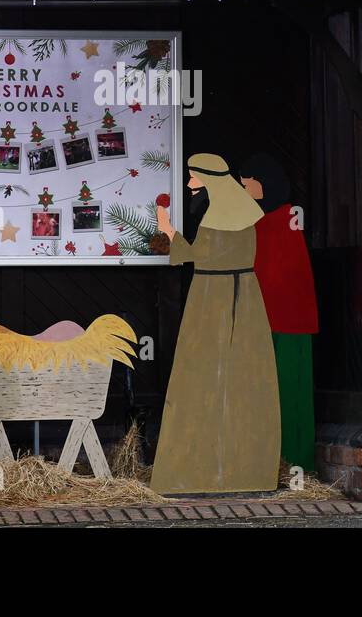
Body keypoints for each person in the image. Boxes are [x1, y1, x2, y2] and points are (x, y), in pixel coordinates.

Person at [151, 152, 280, 495]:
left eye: (195, 178)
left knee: (204, 378)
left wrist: (168, 231)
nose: (190, 185)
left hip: (213, 300)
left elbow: (199, 256)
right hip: (242, 298)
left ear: (210, 179)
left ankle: (201, 471)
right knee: (238, 381)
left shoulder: (218, 218)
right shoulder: (240, 212)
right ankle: (241, 471)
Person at [238, 152, 319, 472]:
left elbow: (273, 276)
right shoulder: (271, 221)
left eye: (248, 185)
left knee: (287, 393)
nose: (245, 191)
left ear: (263, 184)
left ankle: (293, 462)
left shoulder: (279, 221)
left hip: (284, 324)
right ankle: (280, 461)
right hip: (276, 321)